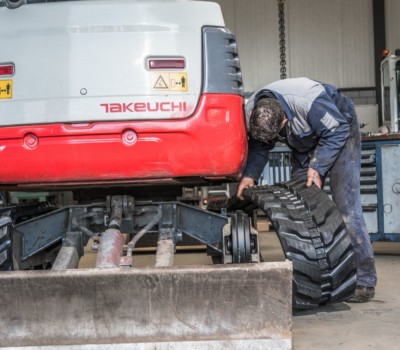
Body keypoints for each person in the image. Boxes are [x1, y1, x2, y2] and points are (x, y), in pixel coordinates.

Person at [237, 77, 377, 303]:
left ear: (283, 121)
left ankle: (365, 279)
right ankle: (316, 275)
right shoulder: (253, 110)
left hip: (339, 129)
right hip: (303, 138)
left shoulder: (309, 101)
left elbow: (337, 129)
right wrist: (250, 175)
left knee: (346, 207)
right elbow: (260, 147)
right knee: (301, 203)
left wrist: (318, 166)